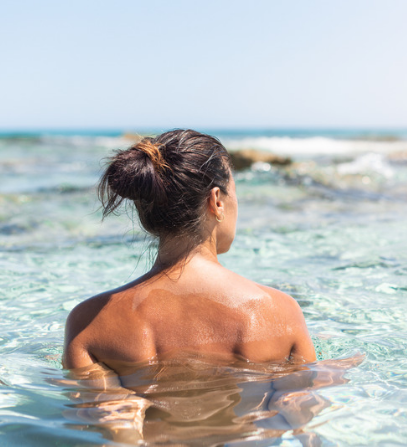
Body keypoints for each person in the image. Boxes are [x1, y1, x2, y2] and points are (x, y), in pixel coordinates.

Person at [63, 129, 316, 372]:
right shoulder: (280, 313)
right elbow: (299, 409)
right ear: (217, 201)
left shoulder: (88, 325)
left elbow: (100, 411)